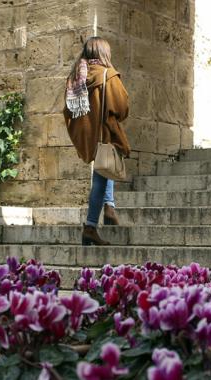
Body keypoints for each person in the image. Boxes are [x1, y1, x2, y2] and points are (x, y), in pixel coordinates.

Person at [64, 37, 131, 246]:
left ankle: (110, 208)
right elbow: (121, 108)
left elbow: (68, 109)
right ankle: (90, 227)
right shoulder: (107, 76)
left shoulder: (77, 77)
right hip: (104, 134)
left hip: (88, 134)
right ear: (104, 53)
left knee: (104, 167)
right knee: (100, 180)